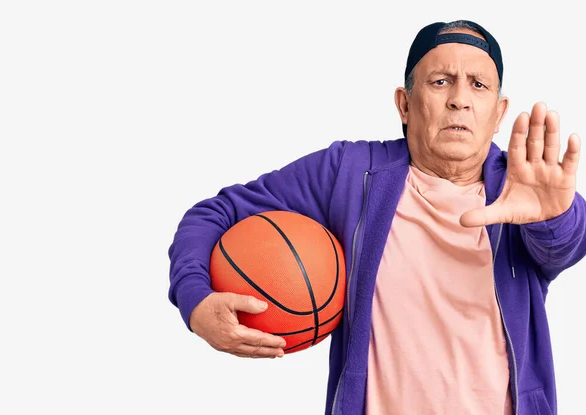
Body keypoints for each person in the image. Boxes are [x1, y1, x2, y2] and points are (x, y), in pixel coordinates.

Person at [167, 19, 585, 415]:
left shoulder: (522, 188)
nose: (460, 98)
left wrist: (552, 217)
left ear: (498, 111)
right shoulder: (350, 173)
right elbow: (215, 213)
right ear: (404, 104)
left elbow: (566, 244)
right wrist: (195, 301)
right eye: (441, 81)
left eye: (479, 85)